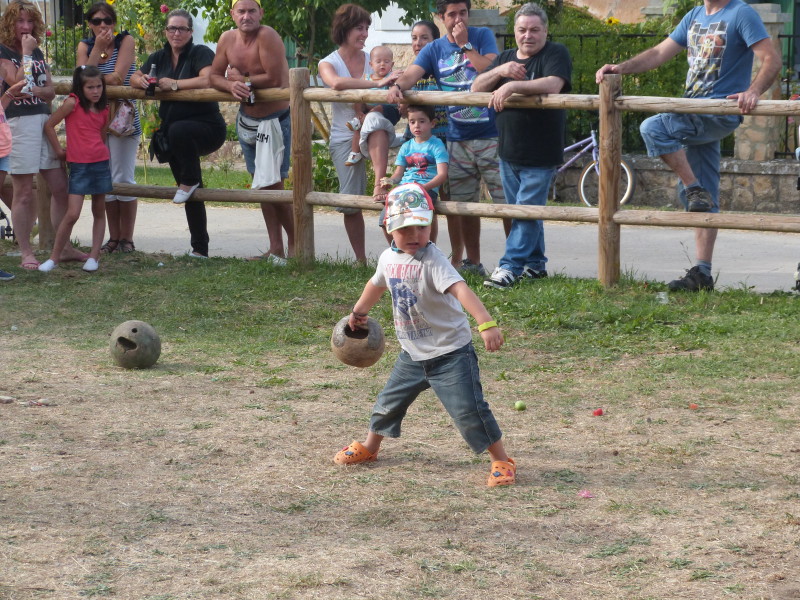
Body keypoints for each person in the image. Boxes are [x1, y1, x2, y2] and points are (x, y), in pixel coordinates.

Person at [332, 184, 515, 488]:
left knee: (469, 409)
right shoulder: (388, 260)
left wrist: (485, 322)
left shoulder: (434, 259)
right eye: (405, 228)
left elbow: (460, 289)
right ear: (389, 228)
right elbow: (377, 284)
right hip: (412, 354)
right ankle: (370, 448)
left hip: (451, 353)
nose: (415, 234)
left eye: (421, 225)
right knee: (388, 403)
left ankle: (501, 459)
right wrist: (359, 311)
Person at [595, 0, 780, 292]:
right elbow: (658, 52)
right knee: (707, 199)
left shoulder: (741, 13)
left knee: (652, 127)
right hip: (694, 108)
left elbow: (771, 58)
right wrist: (620, 68)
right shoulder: (694, 15)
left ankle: (691, 186)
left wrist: (753, 91)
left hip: (716, 111)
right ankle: (702, 273)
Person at [388, 0, 507, 277]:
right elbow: (412, 74)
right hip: (457, 139)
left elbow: (492, 71)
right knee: (464, 206)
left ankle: (513, 261)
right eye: (451, 14)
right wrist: (396, 86)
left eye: (462, 13)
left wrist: (465, 45)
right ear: (441, 17)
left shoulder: (482, 37)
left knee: (506, 203)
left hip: (491, 135)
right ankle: (474, 263)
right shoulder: (434, 48)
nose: (457, 19)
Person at [472, 3, 571, 289]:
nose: (528, 35)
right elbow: (477, 86)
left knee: (525, 211)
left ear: (545, 31)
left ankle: (510, 267)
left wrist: (512, 86)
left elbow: (554, 84)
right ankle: (536, 265)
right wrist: (501, 71)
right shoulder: (504, 58)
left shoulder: (556, 53)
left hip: (541, 154)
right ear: (515, 32)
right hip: (508, 153)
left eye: (534, 30)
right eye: (522, 30)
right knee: (524, 211)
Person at [131, 9, 226, 259]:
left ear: (190, 32)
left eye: (182, 28)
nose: (176, 33)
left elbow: (208, 79)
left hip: (206, 128)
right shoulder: (159, 56)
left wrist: (174, 84)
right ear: (166, 31)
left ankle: (189, 180)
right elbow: (135, 75)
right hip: (173, 136)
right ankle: (200, 249)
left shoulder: (200, 52)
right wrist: (140, 81)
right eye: (172, 28)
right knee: (190, 190)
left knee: (186, 171)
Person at [0, 0, 87, 270]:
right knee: (24, 191)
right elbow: (17, 80)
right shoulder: (4, 51)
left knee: (60, 186)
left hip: (43, 120)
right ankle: (26, 251)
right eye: (20, 21)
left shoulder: (36, 52)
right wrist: (26, 55)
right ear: (9, 23)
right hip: (19, 123)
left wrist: (43, 88)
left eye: (30, 22)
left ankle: (63, 247)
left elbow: (49, 89)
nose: (25, 27)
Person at [209, 0, 294, 266]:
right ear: (232, 14)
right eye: (241, 11)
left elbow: (276, 78)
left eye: (251, 11)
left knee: (275, 184)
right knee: (261, 185)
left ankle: (298, 244)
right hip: (247, 120)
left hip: (274, 120)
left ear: (261, 13)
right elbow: (213, 75)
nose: (246, 16)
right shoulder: (226, 38)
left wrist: (241, 79)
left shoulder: (267, 35)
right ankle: (275, 248)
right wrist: (229, 83)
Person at [318, 3, 399, 264]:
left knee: (385, 194)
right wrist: (376, 83)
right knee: (350, 201)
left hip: (375, 132)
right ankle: (361, 260)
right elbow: (337, 83)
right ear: (344, 29)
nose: (364, 33)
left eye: (366, 28)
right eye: (358, 28)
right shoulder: (328, 62)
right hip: (344, 137)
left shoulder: (373, 58)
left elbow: (393, 83)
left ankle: (399, 254)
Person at [77, 1, 140, 255]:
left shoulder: (126, 41)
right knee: (105, 180)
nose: (102, 25)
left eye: (107, 21)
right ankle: (113, 238)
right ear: (90, 25)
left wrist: (90, 79)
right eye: (96, 21)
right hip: (94, 122)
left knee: (123, 177)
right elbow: (81, 78)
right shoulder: (85, 46)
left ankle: (127, 238)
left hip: (121, 121)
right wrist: (98, 50)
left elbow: (118, 77)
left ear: (114, 22)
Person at [39, 66, 110, 273]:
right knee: (72, 213)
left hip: (100, 163)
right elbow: (49, 125)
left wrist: (100, 154)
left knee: (99, 210)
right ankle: (54, 257)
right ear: (81, 87)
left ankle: (94, 257)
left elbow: (101, 135)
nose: (96, 91)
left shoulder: (104, 108)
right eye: (90, 87)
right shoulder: (72, 103)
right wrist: (60, 151)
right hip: (79, 165)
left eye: (99, 86)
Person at [377, 104, 448, 242]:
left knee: (420, 223)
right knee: (385, 221)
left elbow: (442, 175)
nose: (417, 126)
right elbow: (398, 174)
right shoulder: (406, 146)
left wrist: (423, 187)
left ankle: (427, 248)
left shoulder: (436, 145)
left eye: (422, 121)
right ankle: (398, 248)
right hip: (404, 188)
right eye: (412, 122)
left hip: (425, 189)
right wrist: (390, 181)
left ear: (432, 123)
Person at [343, 45, 401, 172]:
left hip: (388, 111)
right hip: (368, 111)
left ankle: (361, 120)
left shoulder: (392, 78)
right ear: (371, 64)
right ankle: (355, 152)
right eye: (378, 61)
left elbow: (399, 85)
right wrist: (358, 111)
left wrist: (394, 82)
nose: (382, 65)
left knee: (379, 107)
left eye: (386, 62)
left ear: (392, 63)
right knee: (358, 128)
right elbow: (359, 96)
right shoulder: (366, 79)